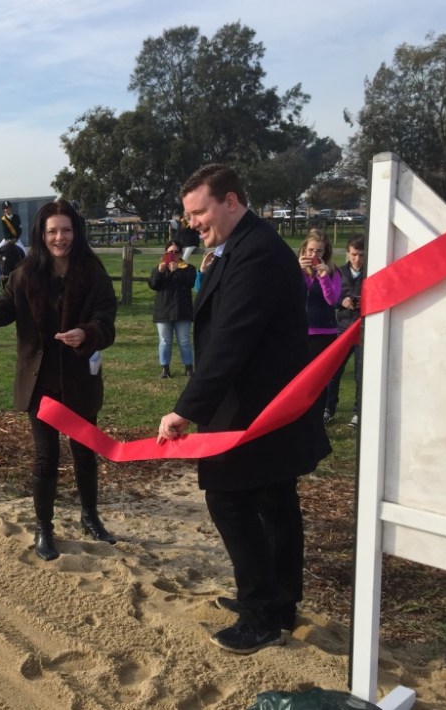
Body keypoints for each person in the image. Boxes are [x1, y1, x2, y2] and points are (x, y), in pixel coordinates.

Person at [157, 164, 330, 655]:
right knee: (274, 503)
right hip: (265, 409)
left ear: (230, 201)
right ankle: (278, 602)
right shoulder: (241, 247)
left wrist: (186, 409)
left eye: (200, 211)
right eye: (189, 214)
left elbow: (232, 340)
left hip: (254, 412)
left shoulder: (256, 253)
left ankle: (260, 614)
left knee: (231, 501)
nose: (193, 222)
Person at [0, 199, 118, 561]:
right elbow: (0, 313)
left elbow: (107, 322)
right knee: (45, 457)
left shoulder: (93, 273)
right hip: (40, 385)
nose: (60, 237)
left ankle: (89, 516)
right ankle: (44, 527)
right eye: (52, 231)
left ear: (75, 232)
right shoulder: (25, 274)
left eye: (66, 230)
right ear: (41, 234)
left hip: (79, 380)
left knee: (84, 453)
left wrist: (87, 333)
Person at [297, 230, 341, 424]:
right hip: (300, 331)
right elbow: (288, 295)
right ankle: (300, 415)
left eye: (319, 252)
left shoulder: (333, 272)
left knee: (320, 380)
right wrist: (295, 271)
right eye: (311, 251)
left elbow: (332, 300)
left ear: (326, 253)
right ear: (304, 250)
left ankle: (318, 416)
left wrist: (323, 277)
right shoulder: (295, 269)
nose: (314, 256)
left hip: (324, 332)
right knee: (299, 379)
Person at [326, 234, 365, 428]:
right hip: (341, 329)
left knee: (361, 374)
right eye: (354, 254)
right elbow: (330, 297)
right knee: (334, 371)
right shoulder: (339, 273)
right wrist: (342, 301)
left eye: (361, 255)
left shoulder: (371, 273)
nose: (357, 259)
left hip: (362, 330)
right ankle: (328, 409)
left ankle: (358, 414)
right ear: (348, 253)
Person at [149, 240, 196, 378]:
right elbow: (153, 285)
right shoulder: (159, 268)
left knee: (184, 340)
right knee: (164, 341)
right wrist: (160, 272)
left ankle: (188, 367)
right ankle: (165, 368)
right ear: (165, 253)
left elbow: (190, 284)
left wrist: (177, 272)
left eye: (176, 252)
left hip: (182, 309)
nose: (173, 255)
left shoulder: (188, 268)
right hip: (163, 310)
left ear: (181, 254)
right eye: (170, 252)